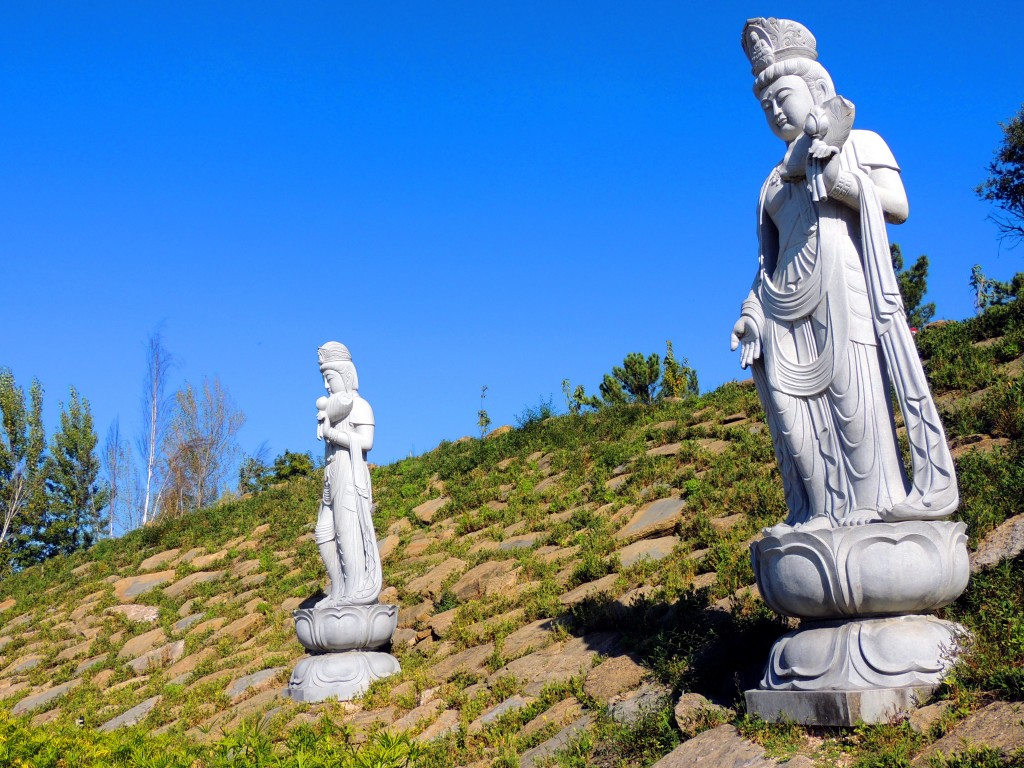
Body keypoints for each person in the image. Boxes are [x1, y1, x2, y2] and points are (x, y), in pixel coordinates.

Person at [730, 18, 957, 529]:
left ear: (815, 90)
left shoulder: (857, 141)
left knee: (854, 406)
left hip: (842, 292)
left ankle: (873, 509)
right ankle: (819, 510)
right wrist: (749, 314)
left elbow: (896, 206)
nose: (773, 109)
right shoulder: (770, 184)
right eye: (763, 104)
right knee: (795, 421)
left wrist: (836, 176)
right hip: (784, 308)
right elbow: (766, 262)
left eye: (781, 95)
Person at [314, 342, 381, 606]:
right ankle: (339, 588)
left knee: (347, 531)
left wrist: (333, 434)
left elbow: (366, 442)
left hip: (350, 474)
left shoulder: (360, 405)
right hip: (332, 473)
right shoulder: (331, 410)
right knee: (323, 532)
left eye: (330, 378)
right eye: (324, 380)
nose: (327, 386)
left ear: (346, 376)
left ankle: (354, 590)